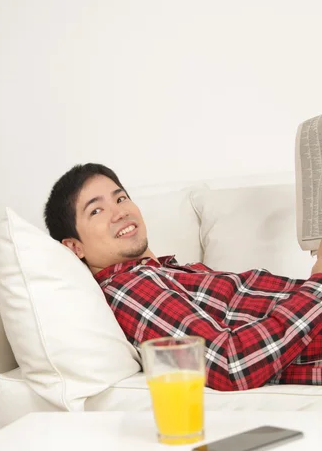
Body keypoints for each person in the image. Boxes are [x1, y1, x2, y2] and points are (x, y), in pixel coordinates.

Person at [44, 163, 322, 391]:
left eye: (120, 198)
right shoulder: (129, 288)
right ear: (74, 247)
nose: (120, 211)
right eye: (96, 210)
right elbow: (230, 365)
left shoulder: (164, 272)